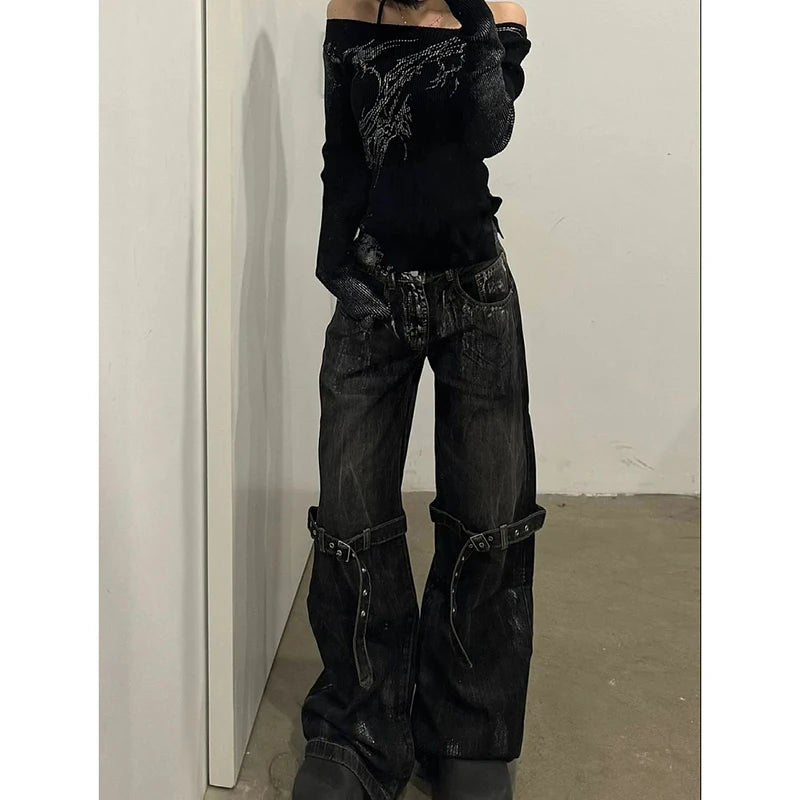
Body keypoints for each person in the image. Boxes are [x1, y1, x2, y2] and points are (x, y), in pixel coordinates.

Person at [292, 2, 547, 798]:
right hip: (373, 293)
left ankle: (469, 728)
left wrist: (473, 17)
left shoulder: (497, 10)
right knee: (349, 513)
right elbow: (343, 148)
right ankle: (359, 728)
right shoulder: (351, 5)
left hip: (474, 292)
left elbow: (489, 132)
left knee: (488, 513)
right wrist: (335, 262)